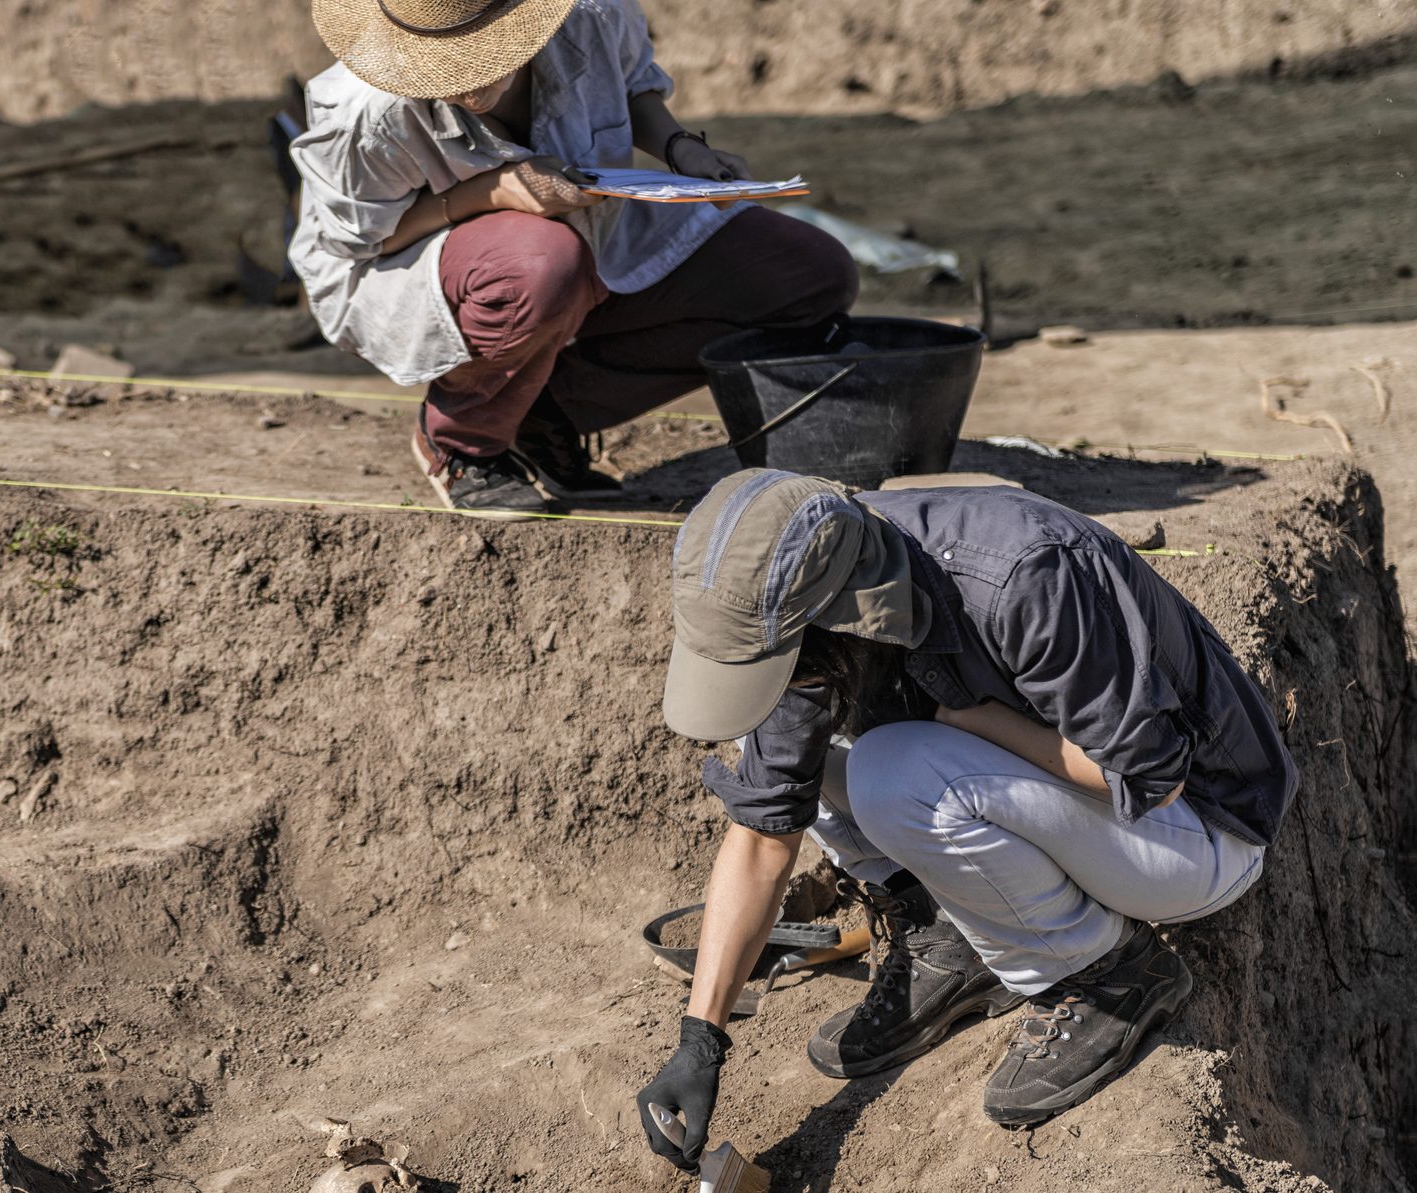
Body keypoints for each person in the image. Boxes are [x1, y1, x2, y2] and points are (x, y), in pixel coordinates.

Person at [635, 470, 1296, 1171]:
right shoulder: (817, 602)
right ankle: (949, 940)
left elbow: (1150, 779)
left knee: (892, 773)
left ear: (832, 610)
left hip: (1197, 832)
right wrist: (699, 1039)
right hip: (1064, 807)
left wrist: (972, 721)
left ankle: (1103, 975)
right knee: (783, 744)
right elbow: (765, 831)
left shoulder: (1021, 578)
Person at [291, 0, 858, 518]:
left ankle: (545, 412)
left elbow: (631, 87)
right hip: (420, 261)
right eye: (443, 72)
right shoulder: (366, 110)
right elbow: (365, 239)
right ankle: (464, 439)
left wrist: (680, 147)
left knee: (806, 276)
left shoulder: (591, 17)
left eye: (482, 62)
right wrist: (492, 193)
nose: (468, 89)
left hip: (590, 235)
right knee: (542, 264)